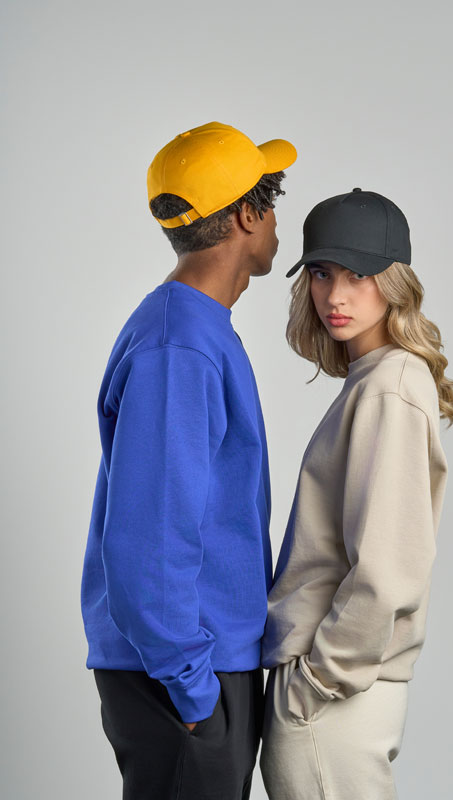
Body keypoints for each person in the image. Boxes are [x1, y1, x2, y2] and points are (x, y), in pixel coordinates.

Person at [80, 121, 297, 800]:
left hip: (200, 660)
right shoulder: (179, 346)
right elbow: (148, 537)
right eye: (271, 205)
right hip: (182, 670)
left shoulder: (194, 329)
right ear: (247, 216)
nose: (275, 222)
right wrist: (193, 688)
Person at [260, 188, 453, 800]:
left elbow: (389, 567)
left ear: (394, 281)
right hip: (335, 692)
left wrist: (317, 683)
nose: (336, 296)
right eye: (322, 274)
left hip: (333, 700)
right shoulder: (374, 378)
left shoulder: (389, 386)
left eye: (359, 275)